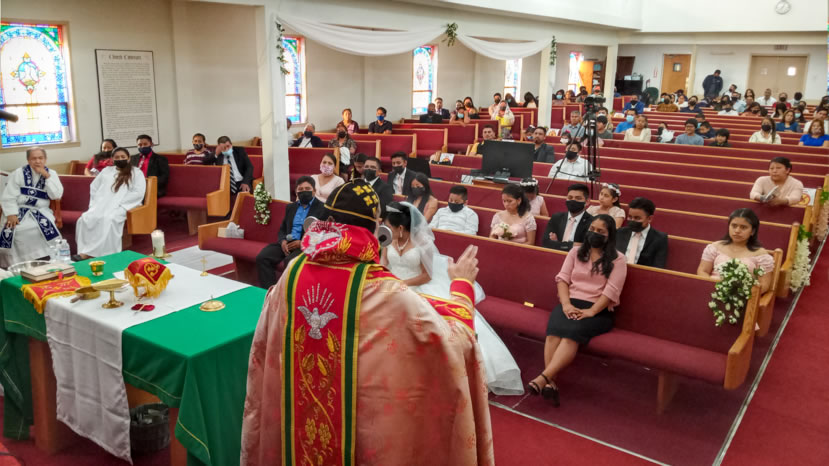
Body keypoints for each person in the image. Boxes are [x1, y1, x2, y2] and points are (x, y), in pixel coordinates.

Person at [240, 181, 494, 466]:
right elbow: (455, 341)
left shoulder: (293, 272)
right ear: (375, 229)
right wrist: (462, 285)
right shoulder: (384, 290)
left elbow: (266, 341)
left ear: (328, 222)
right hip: (358, 435)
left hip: (296, 431)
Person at [382, 201, 523, 396]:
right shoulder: (388, 240)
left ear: (400, 227)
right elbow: (383, 263)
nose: (385, 229)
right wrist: (386, 281)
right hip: (394, 285)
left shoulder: (422, 244)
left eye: (389, 226)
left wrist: (402, 284)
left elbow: (426, 276)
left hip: (417, 286)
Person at [528, 214, 627, 406]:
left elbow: (611, 291)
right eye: (592, 229)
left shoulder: (618, 259)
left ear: (610, 235)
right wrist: (566, 304)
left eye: (600, 231)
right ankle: (550, 383)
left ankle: (544, 377)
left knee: (570, 335)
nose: (594, 233)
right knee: (554, 333)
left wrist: (591, 311)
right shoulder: (575, 252)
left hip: (598, 310)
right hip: (570, 303)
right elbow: (562, 279)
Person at [74, 147, 146, 259]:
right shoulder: (106, 171)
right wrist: (96, 203)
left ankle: (104, 254)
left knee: (109, 219)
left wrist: (117, 202)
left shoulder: (136, 172)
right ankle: (85, 250)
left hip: (125, 205)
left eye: (123, 157)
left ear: (128, 158)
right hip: (103, 203)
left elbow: (138, 192)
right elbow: (94, 187)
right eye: (117, 157)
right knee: (85, 219)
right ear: (112, 159)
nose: (120, 159)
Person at [255, 176, 326, 288]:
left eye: (307, 188)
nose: (304, 191)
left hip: (305, 245)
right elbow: (283, 228)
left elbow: (322, 234)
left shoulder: (322, 208)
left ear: (314, 190)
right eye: (300, 189)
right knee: (263, 257)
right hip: (287, 243)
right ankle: (269, 290)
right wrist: (282, 241)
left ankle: (287, 292)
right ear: (296, 192)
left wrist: (302, 242)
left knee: (290, 261)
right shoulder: (291, 207)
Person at [0, 147, 64, 267]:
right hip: (18, 209)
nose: (37, 161)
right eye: (34, 158)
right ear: (28, 160)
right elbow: (8, 195)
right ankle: (18, 263)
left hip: (41, 210)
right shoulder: (18, 173)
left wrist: (47, 176)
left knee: (37, 229)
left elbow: (56, 195)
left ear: (45, 159)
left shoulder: (52, 174)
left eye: (40, 158)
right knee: (17, 231)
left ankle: (44, 258)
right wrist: (11, 214)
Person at [696, 208, 774, 294]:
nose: (737, 231)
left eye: (743, 227)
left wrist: (740, 294)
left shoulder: (761, 255)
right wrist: (715, 289)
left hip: (743, 297)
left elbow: (764, 285)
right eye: (734, 226)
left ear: (752, 231)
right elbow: (702, 271)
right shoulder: (715, 247)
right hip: (712, 292)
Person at [615, 197, 668, 268]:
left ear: (649, 218)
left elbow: (658, 266)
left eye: (637, 218)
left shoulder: (660, 238)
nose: (632, 220)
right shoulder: (619, 232)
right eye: (630, 217)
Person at [542, 183, 593, 252]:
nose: (573, 200)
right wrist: (571, 245)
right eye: (570, 197)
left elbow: (586, 248)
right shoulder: (556, 218)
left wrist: (557, 243)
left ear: (587, 202)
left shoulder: (592, 222)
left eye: (578, 198)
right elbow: (546, 243)